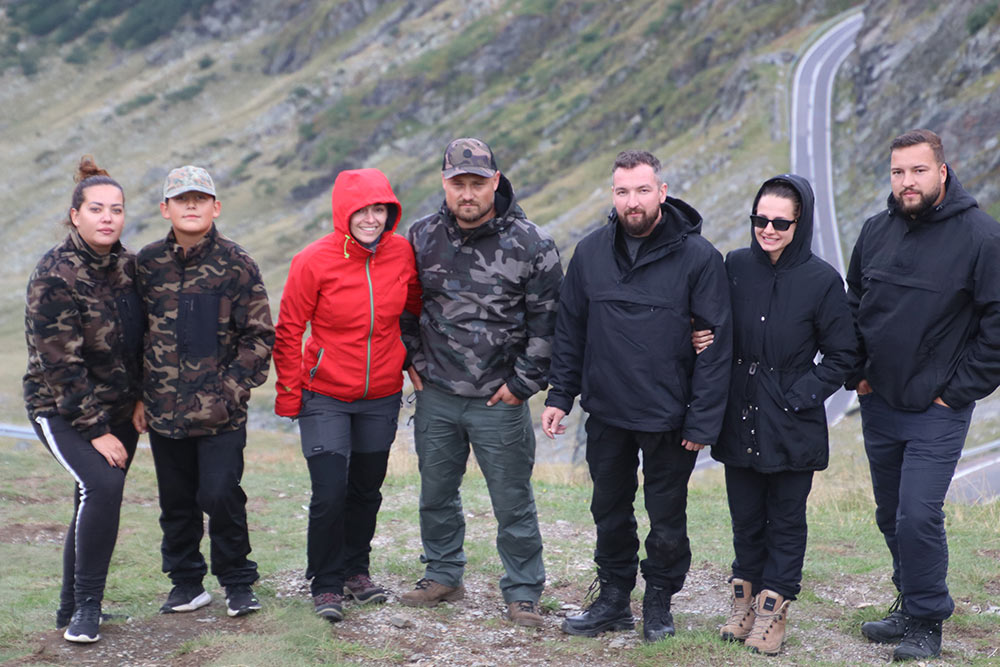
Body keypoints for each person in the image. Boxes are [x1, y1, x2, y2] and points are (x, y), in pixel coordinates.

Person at [541, 149, 732, 643]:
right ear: (613, 195)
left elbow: (716, 347)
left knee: (666, 517)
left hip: (670, 417)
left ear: (662, 192)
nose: (633, 202)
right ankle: (612, 599)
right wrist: (560, 396)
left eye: (643, 190)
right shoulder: (590, 253)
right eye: (623, 192)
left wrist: (701, 421)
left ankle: (658, 601)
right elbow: (571, 331)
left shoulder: (700, 258)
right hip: (606, 411)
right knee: (608, 510)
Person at [846, 129, 1000, 661]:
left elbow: (997, 327)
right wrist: (858, 374)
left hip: (938, 409)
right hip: (879, 401)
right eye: (898, 172)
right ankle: (909, 604)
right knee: (890, 515)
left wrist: (955, 394)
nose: (906, 182)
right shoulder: (875, 230)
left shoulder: (982, 237)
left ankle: (927, 621)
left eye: (917, 170)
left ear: (942, 171)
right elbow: (853, 304)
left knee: (917, 515)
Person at [399, 138, 562, 627]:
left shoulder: (533, 244)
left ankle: (523, 591)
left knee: (512, 501)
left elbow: (549, 324)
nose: (466, 193)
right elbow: (405, 307)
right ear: (444, 183)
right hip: (436, 394)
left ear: (495, 182)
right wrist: (412, 361)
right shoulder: (420, 236)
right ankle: (442, 574)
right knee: (435, 493)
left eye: (476, 183)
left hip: (499, 400)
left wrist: (521, 385)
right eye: (457, 184)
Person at [701, 175, 855, 655]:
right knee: (745, 517)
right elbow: (713, 323)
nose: (768, 229)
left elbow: (843, 355)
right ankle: (743, 605)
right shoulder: (735, 266)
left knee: (786, 520)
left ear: (799, 223)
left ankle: (774, 613)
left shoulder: (822, 280)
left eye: (780, 223)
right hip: (740, 414)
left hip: (792, 421)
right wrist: (700, 335)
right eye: (760, 219)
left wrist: (798, 395)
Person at [273, 168, 421, 622]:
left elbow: (414, 307)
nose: (371, 219)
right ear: (343, 212)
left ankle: (357, 571)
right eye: (362, 210)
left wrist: (410, 361)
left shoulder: (401, 253)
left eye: (380, 209)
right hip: (325, 394)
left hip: (381, 395)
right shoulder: (312, 260)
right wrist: (288, 393)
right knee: (329, 492)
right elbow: (289, 330)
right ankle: (326, 583)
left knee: (366, 490)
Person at [132, 165, 275, 619]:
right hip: (163, 410)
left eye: (200, 198)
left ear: (216, 207)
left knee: (220, 494)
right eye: (181, 199)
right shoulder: (146, 264)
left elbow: (259, 337)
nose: (190, 205)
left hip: (221, 415)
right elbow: (133, 334)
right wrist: (139, 396)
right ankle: (186, 583)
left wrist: (228, 391)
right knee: (176, 501)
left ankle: (237, 581)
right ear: (165, 208)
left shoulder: (237, 263)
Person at [24, 156, 144, 643]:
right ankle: (87, 608)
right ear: (75, 215)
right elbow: (61, 366)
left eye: (116, 209)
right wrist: (95, 431)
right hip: (60, 408)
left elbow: (142, 341)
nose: (107, 218)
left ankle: (68, 608)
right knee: (104, 486)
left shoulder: (129, 267)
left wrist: (140, 399)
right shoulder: (55, 274)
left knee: (92, 495)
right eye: (96, 209)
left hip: (120, 407)